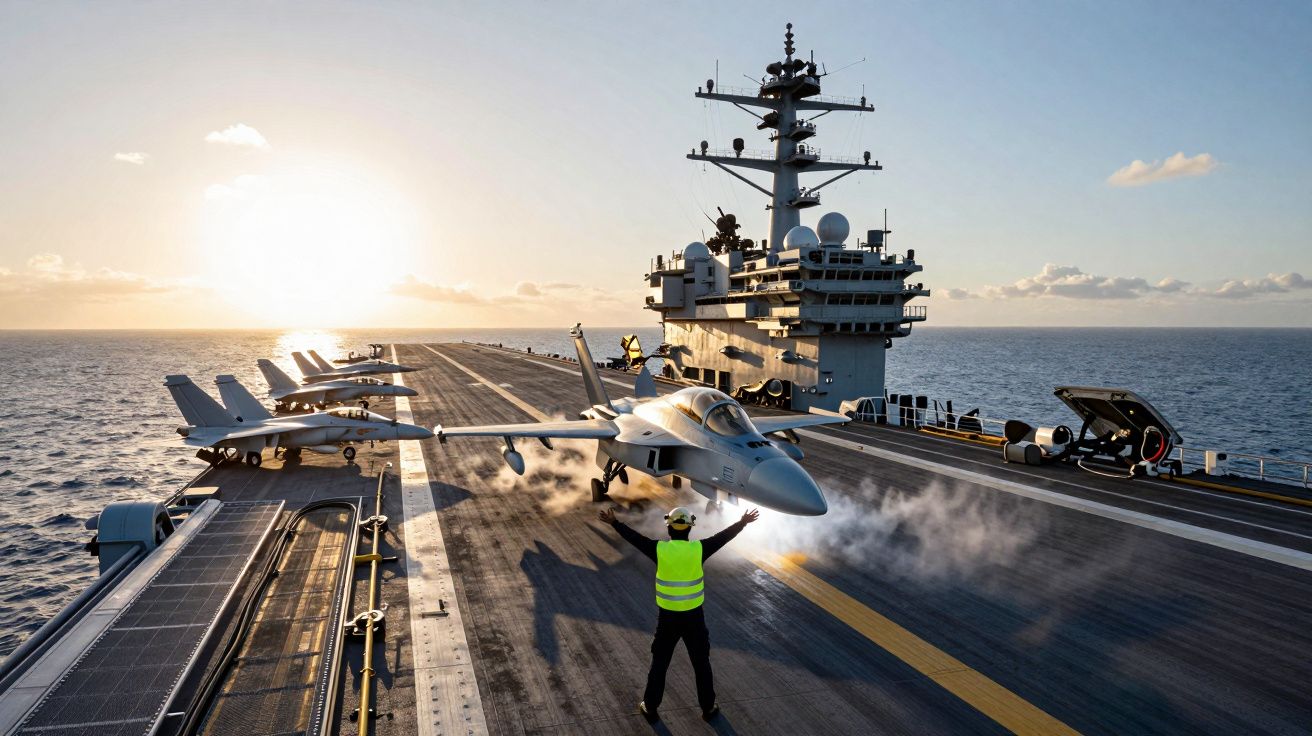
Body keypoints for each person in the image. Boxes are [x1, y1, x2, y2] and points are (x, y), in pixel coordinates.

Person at [598, 504, 760, 723]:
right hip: (694, 618)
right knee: (701, 664)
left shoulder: (659, 550)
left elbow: (636, 539)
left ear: (669, 528)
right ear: (690, 528)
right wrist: (742, 522)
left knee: (660, 663)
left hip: (668, 619)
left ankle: (650, 707)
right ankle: (708, 708)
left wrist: (615, 523)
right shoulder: (699, 549)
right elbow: (722, 538)